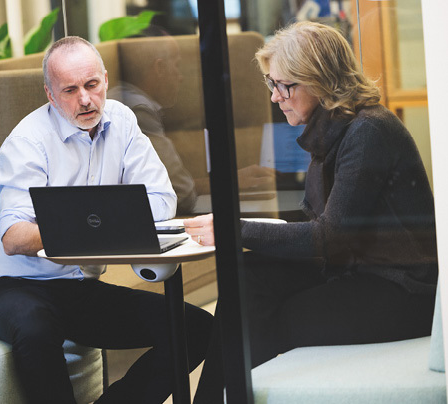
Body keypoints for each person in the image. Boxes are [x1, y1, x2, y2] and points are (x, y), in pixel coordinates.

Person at [184, 21, 438, 368]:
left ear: (321, 81)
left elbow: (328, 237)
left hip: (401, 290)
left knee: (276, 317)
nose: (275, 97)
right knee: (246, 277)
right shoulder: (334, 128)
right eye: (271, 84)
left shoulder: (368, 131)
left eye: (284, 86)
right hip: (356, 271)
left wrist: (234, 228)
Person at [0, 36, 214, 404]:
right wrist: (96, 224)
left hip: (81, 292)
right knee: (36, 327)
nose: (85, 99)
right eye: (70, 90)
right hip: (17, 288)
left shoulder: (121, 121)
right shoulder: (27, 141)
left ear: (104, 79)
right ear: (50, 95)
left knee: (197, 328)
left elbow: (163, 199)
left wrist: (93, 223)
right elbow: (14, 236)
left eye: (91, 85)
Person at [108, 33, 275, 214]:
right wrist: (228, 182)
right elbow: (181, 191)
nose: (180, 77)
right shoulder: (138, 109)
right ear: (160, 68)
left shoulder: (122, 100)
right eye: (177, 65)